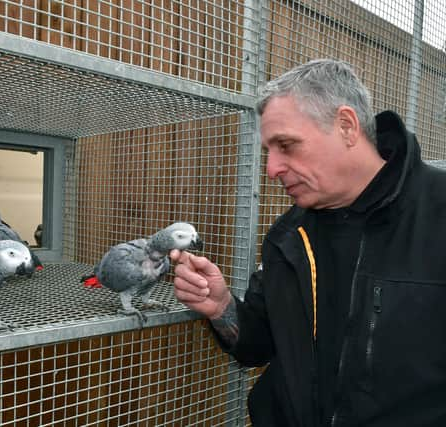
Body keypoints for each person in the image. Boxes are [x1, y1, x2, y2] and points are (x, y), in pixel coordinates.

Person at [171, 58, 446, 426]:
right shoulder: (289, 236)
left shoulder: (437, 213)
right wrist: (221, 307)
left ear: (346, 126)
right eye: (270, 150)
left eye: (286, 145)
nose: (271, 169)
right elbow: (258, 344)